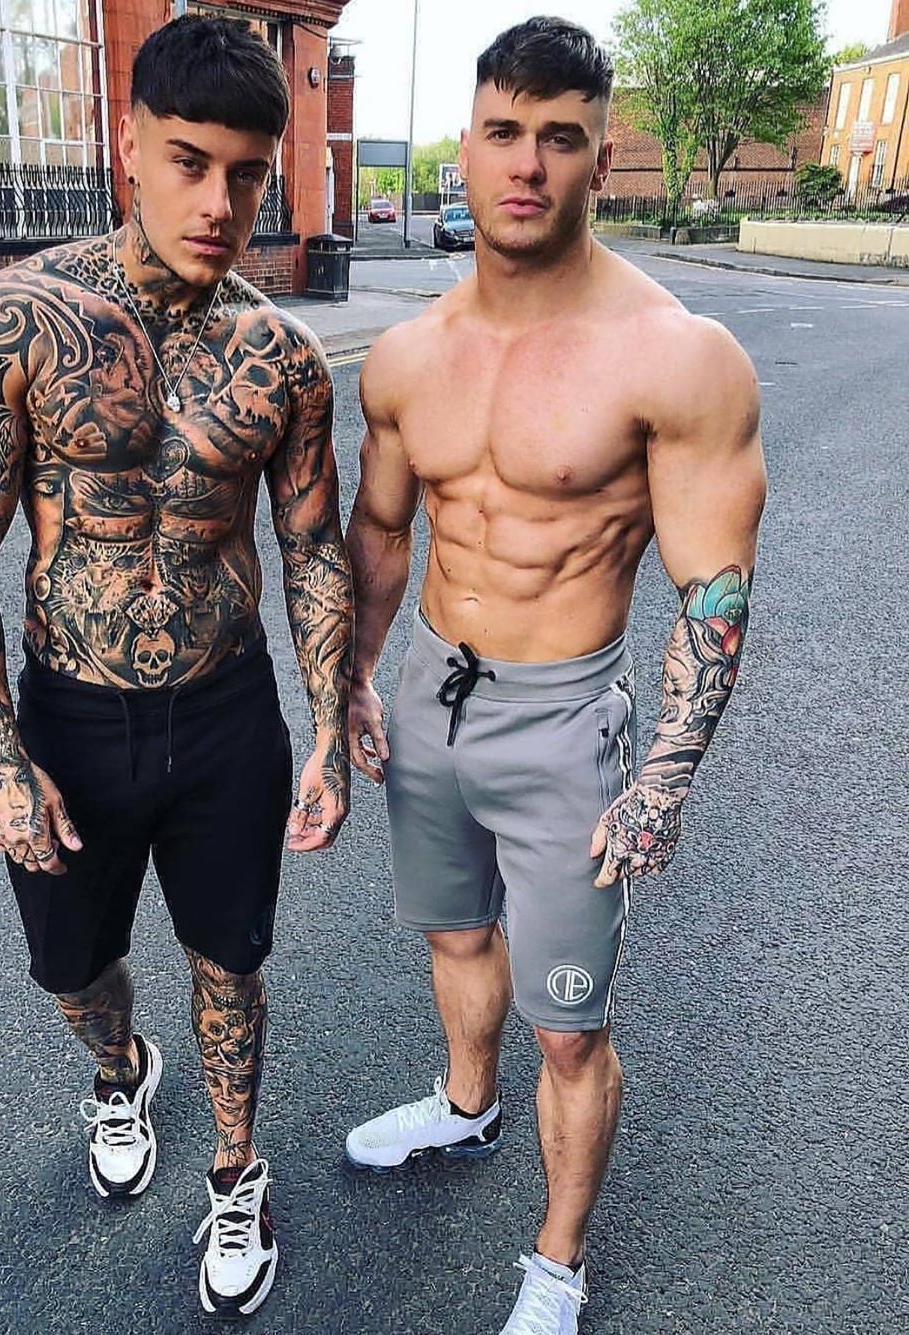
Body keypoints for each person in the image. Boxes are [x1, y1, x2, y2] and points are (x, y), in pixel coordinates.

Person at [0, 16, 352, 1319]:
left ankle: (235, 1169)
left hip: (225, 714)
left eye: (247, 175)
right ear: (129, 145)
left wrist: (330, 731)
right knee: (71, 970)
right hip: (71, 716)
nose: (220, 203)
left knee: (232, 959)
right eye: (189, 162)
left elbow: (312, 551)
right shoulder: (9, 322)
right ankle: (122, 1075)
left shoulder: (284, 359)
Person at [343, 17, 766, 1335]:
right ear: (465, 152)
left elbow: (713, 591)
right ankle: (466, 1108)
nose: (527, 164)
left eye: (561, 138)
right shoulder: (407, 355)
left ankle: (558, 1261)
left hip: (563, 715)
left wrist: (662, 783)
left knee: (570, 1030)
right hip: (431, 691)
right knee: (453, 934)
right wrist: (357, 674)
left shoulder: (676, 357)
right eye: (504, 133)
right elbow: (382, 532)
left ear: (599, 159)